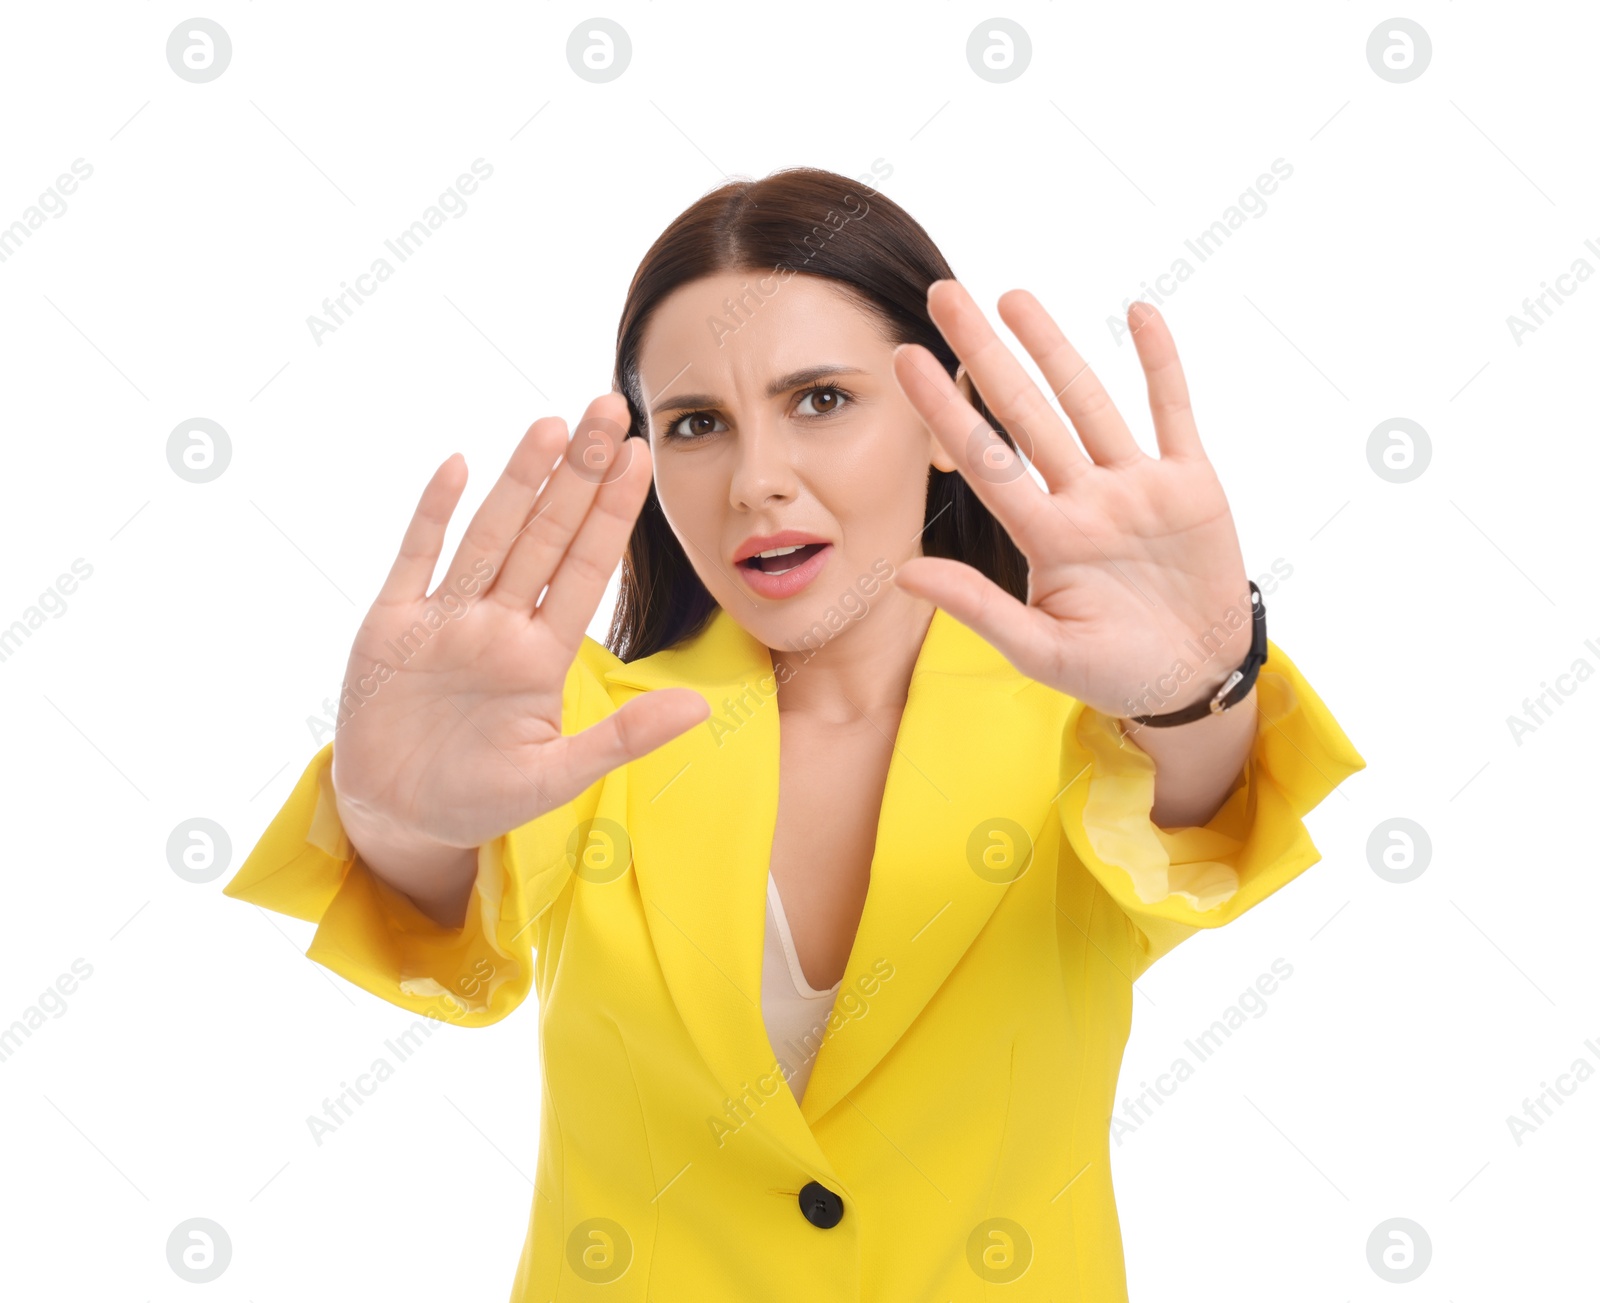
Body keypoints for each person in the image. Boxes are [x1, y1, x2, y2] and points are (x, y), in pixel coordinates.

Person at [223, 166, 1365, 1300]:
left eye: (820, 399)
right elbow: (439, 913)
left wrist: (1191, 687)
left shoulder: (1093, 729)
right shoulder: (579, 728)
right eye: (698, 424)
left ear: (942, 422)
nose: (756, 481)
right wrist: (383, 813)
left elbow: (1199, 822)